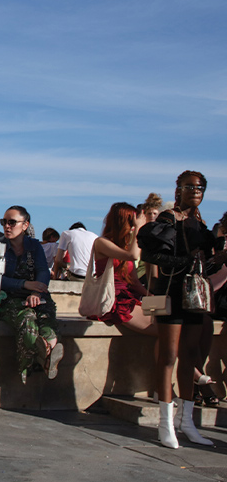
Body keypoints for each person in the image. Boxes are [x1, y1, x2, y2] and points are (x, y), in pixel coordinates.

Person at [138, 171, 227, 449]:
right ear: (179, 189)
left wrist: (217, 258)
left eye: (200, 187)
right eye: (190, 186)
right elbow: (151, 253)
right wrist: (187, 261)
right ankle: (166, 423)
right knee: (169, 356)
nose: (196, 191)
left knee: (190, 356)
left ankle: (186, 422)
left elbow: (206, 266)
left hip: (194, 297)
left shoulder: (199, 224)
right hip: (172, 292)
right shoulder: (168, 219)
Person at [0, 206, 63, 384]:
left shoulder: (34, 246)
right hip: (11, 298)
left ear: (25, 225)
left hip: (36, 295)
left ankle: (47, 353)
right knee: (27, 321)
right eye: (4, 222)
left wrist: (35, 291)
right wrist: (25, 284)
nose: (7, 226)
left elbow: (42, 270)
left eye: (12, 222)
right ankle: (44, 361)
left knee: (46, 321)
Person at [84, 203, 155, 335]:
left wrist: (151, 296)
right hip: (112, 299)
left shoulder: (126, 246)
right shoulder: (101, 242)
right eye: (132, 223)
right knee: (162, 329)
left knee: (168, 326)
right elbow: (133, 256)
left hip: (128, 297)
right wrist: (139, 228)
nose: (133, 228)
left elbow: (134, 281)